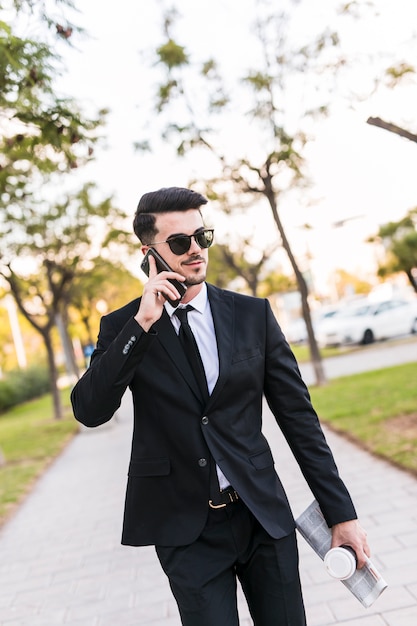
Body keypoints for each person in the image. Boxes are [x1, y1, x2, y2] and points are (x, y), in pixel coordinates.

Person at [71, 186, 370, 626]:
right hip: (185, 530)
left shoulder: (252, 316)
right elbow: (89, 409)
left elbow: (300, 421)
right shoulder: (124, 327)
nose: (195, 251)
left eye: (201, 237)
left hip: (262, 517)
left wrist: (341, 514)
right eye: (179, 243)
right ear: (148, 253)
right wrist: (144, 323)